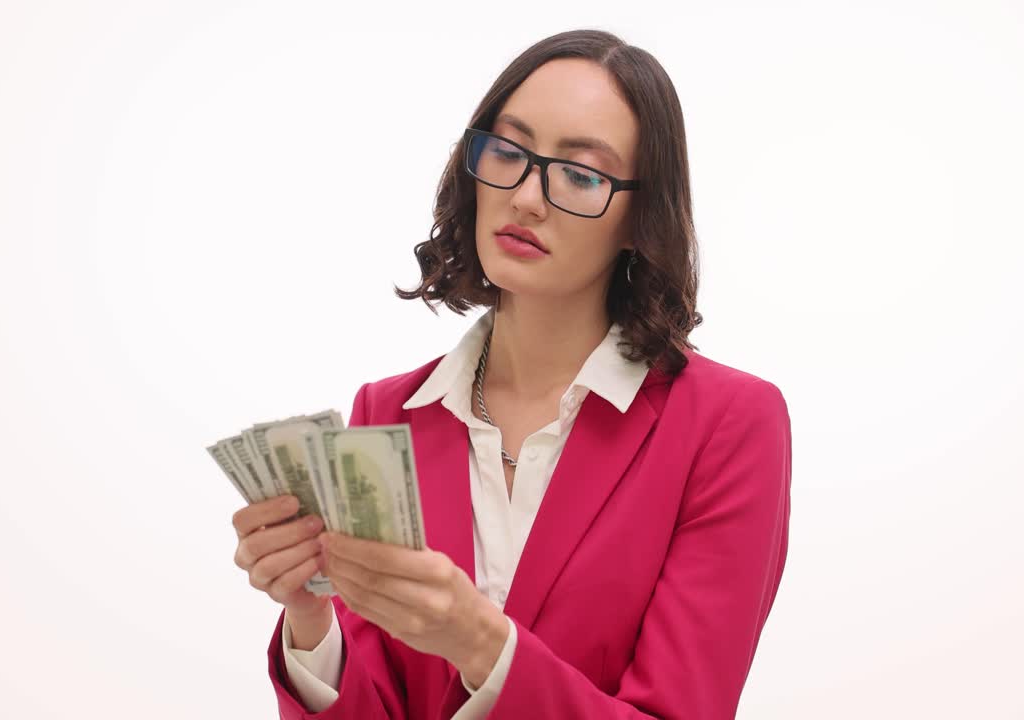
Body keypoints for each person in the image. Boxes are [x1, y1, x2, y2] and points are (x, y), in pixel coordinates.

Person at [230, 28, 792, 719]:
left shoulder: (729, 424)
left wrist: (483, 645)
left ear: (639, 219)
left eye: (581, 174)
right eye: (508, 151)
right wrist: (311, 622)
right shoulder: (390, 411)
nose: (527, 197)